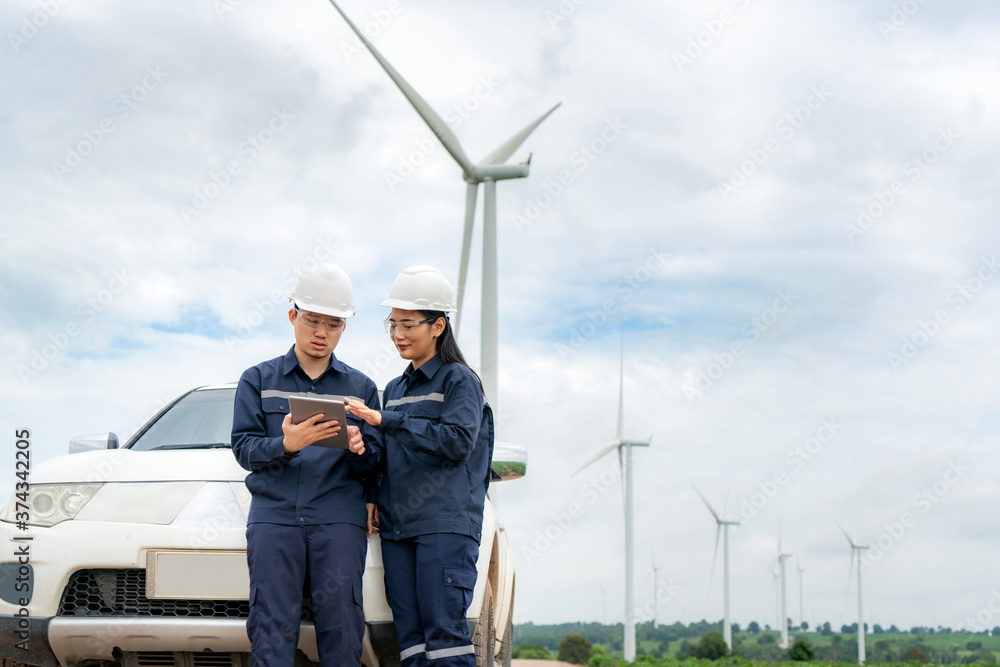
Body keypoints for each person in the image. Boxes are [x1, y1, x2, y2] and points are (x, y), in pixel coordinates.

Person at [231, 263, 380, 667]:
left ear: (344, 328)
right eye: (313, 320)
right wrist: (286, 444)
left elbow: (377, 463)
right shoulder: (257, 380)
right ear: (293, 315)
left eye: (333, 324)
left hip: (338, 520)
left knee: (343, 630)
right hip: (274, 518)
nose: (321, 333)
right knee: (270, 631)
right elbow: (244, 448)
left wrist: (359, 449)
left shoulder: (363, 389)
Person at [345, 265, 494, 667]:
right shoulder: (394, 389)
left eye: (408, 325)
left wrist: (384, 420)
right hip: (397, 530)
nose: (398, 335)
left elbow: (457, 442)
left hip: (444, 527)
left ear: (438, 326)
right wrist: (373, 492)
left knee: (445, 639)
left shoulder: (459, 380)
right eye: (392, 324)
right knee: (409, 643)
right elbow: (391, 453)